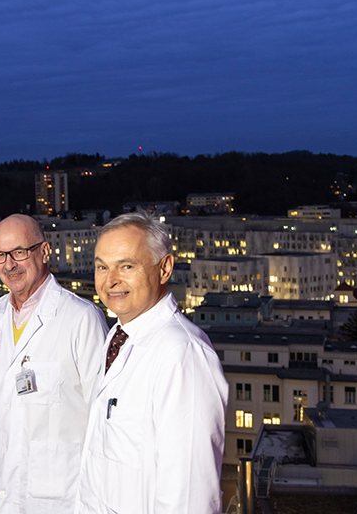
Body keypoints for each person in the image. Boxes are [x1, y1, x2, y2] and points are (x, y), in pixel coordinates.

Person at [76, 213, 228, 514]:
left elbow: (190, 495)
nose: (110, 281)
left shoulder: (182, 353)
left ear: (165, 268)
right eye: (102, 267)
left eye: (127, 266)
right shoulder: (118, 337)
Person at [0, 214, 108, 514]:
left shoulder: (81, 318)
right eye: (0, 255)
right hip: (2, 495)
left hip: (65, 500)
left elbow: (103, 420)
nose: (9, 265)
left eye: (19, 252)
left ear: (44, 251)